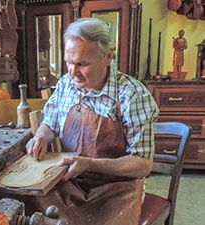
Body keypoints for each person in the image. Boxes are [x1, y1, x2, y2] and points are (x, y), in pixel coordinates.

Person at [26, 17, 159, 225]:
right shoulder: (66, 85)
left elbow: (142, 165)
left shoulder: (132, 95)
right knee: (26, 204)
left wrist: (89, 164)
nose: (72, 72)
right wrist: (41, 136)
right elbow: (49, 122)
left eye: (82, 64)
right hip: (70, 181)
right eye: (69, 62)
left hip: (117, 189)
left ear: (108, 56)